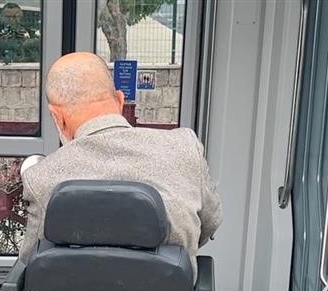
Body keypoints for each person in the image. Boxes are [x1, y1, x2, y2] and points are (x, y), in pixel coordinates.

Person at [19, 51, 221, 271]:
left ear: (57, 116)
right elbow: (209, 224)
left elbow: (31, 259)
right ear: (120, 100)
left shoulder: (42, 177)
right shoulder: (184, 147)